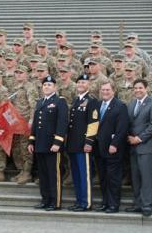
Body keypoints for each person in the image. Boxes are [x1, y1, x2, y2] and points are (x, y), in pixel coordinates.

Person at [28, 75, 68, 211]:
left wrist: (58, 142)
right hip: (40, 145)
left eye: (49, 85)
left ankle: (55, 202)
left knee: (53, 174)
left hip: (53, 145)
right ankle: (45, 200)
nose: (46, 87)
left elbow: (62, 123)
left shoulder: (59, 101)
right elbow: (35, 124)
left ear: (55, 87)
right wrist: (31, 141)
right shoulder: (40, 102)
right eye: (45, 85)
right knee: (43, 175)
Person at [126, 79, 152, 217]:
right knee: (135, 178)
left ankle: (147, 205)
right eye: (135, 88)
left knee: (146, 178)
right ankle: (137, 204)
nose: (138, 90)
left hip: (147, 147)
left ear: (146, 89)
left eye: (140, 88)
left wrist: (139, 138)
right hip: (133, 147)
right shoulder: (131, 104)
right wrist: (129, 137)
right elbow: (129, 123)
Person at [94, 82, 129, 213]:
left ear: (113, 91)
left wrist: (114, 144)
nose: (105, 92)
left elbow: (122, 128)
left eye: (108, 90)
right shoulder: (97, 105)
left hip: (112, 148)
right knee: (103, 177)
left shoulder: (120, 106)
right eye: (103, 90)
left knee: (113, 178)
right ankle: (105, 202)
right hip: (99, 148)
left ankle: (114, 204)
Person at [66, 74, 99, 211]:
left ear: (89, 85)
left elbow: (93, 122)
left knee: (84, 175)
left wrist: (89, 142)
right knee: (76, 175)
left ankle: (86, 203)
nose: (80, 84)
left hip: (83, 145)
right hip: (73, 145)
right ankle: (79, 201)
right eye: (78, 82)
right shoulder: (76, 100)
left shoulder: (91, 101)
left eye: (83, 82)